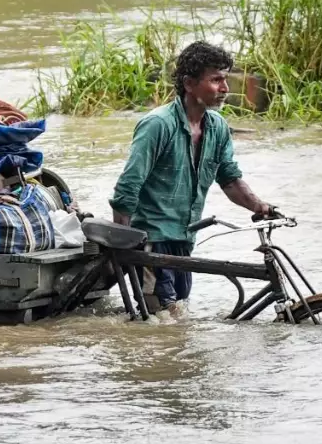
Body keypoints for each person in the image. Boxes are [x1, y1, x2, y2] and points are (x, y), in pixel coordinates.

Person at [109, 41, 275, 322]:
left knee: (176, 321)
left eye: (225, 79)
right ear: (189, 83)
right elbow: (128, 187)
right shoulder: (158, 125)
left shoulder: (217, 127)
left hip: (185, 239)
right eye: (216, 80)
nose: (225, 88)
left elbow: (230, 180)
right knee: (161, 322)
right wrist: (126, 247)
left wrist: (261, 207)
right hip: (151, 241)